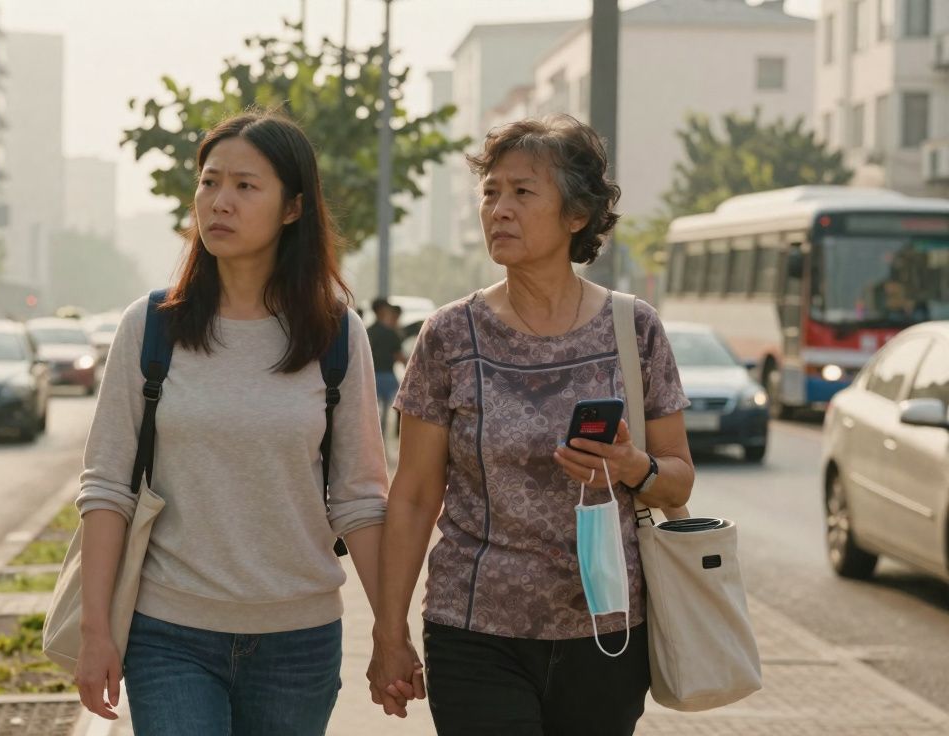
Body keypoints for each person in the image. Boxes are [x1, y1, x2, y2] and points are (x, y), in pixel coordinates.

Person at [368, 114, 696, 735]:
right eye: (491, 192)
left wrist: (632, 467)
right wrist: (390, 629)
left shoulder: (635, 328)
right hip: (473, 628)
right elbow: (411, 496)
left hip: (605, 630)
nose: (500, 209)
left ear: (577, 215)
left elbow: (677, 481)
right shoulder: (448, 335)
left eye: (523, 192)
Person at [74, 110, 390, 735]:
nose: (220, 202)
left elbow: (358, 498)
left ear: (293, 208)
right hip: (169, 632)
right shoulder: (152, 326)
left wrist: (391, 630)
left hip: (298, 639)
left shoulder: (335, 334)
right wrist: (95, 633)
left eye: (246, 186)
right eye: (210, 182)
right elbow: (107, 486)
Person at [366, 297, 406, 436]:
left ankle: (373, 438)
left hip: (371, 378)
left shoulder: (368, 331)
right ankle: (382, 442)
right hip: (388, 378)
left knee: (373, 415)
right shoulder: (391, 333)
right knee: (386, 417)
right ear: (382, 310)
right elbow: (399, 356)